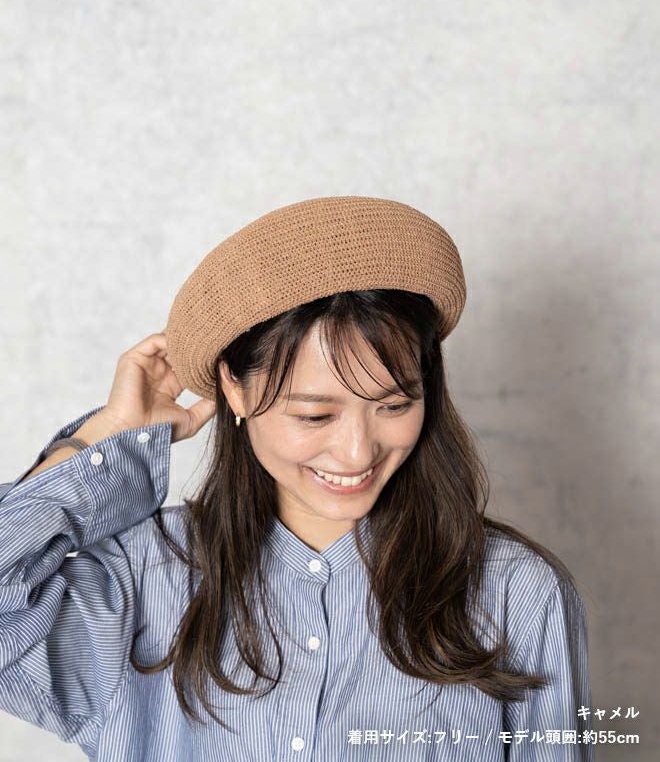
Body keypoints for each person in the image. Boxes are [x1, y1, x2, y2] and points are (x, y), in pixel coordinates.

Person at [0, 196, 594, 761]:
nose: (358, 451)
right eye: (315, 415)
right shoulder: (143, 575)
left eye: (393, 405)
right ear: (234, 389)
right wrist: (103, 439)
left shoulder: (515, 591)